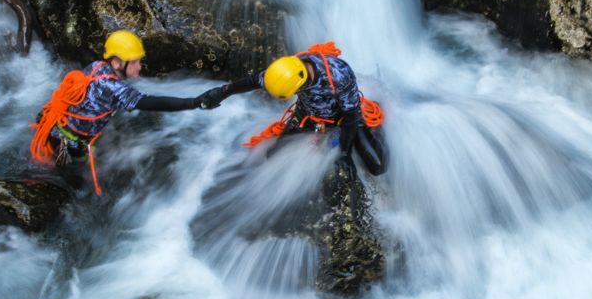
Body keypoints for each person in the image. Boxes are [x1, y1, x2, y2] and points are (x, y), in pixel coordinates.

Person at [30, 30, 210, 194]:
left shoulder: (97, 66)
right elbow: (151, 102)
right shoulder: (114, 88)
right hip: (67, 141)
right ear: (117, 63)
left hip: (56, 127)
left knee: (61, 166)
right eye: (135, 62)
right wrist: (193, 102)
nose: (140, 67)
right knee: (70, 184)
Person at [197, 42, 387, 176]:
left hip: (344, 117)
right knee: (272, 157)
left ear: (300, 85)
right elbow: (253, 81)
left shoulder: (338, 74)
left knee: (377, 166)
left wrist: (344, 154)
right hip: (309, 115)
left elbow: (352, 115)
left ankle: (377, 131)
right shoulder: (285, 70)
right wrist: (223, 92)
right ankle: (322, 134)